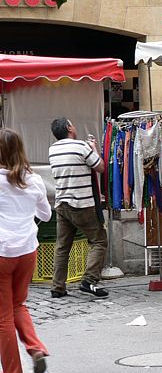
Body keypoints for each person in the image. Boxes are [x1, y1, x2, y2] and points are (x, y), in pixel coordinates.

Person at [0, 128, 51, 373]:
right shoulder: (33, 180)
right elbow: (46, 215)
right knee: (18, 304)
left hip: (1, 252)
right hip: (27, 251)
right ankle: (35, 348)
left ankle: (12, 372)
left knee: (3, 315)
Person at [48, 118, 109, 298]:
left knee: (62, 247)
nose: (74, 126)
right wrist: (93, 148)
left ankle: (57, 287)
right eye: (72, 124)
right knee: (99, 241)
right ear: (68, 128)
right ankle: (89, 281)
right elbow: (100, 167)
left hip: (61, 204)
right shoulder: (80, 146)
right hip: (82, 205)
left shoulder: (52, 150)